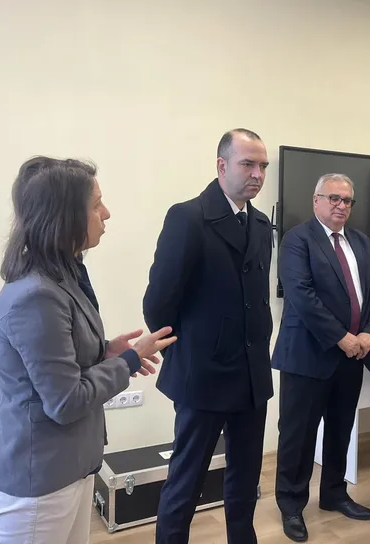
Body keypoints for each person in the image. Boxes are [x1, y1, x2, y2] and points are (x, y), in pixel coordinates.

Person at [0, 157, 175, 544]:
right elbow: (65, 401)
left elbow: (59, 358)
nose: (107, 213)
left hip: (68, 464)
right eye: (96, 204)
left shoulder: (62, 274)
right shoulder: (36, 296)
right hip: (40, 476)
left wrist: (104, 352)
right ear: (65, 216)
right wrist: (128, 360)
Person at [144, 129, 273, 543]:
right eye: (247, 164)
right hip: (203, 375)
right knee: (186, 481)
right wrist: (193, 351)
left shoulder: (260, 223)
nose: (257, 174)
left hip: (251, 374)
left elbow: (254, 300)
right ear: (222, 165)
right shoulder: (188, 217)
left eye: (262, 166)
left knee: (245, 479)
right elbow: (158, 305)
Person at [273, 173, 370, 542]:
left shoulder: (360, 241)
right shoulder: (297, 239)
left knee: (340, 429)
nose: (341, 206)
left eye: (347, 200)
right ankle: (292, 505)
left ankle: (334, 493)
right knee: (298, 435)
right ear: (316, 200)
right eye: (333, 198)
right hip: (308, 356)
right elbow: (301, 295)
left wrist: (369, 333)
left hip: (352, 356)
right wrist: (342, 338)